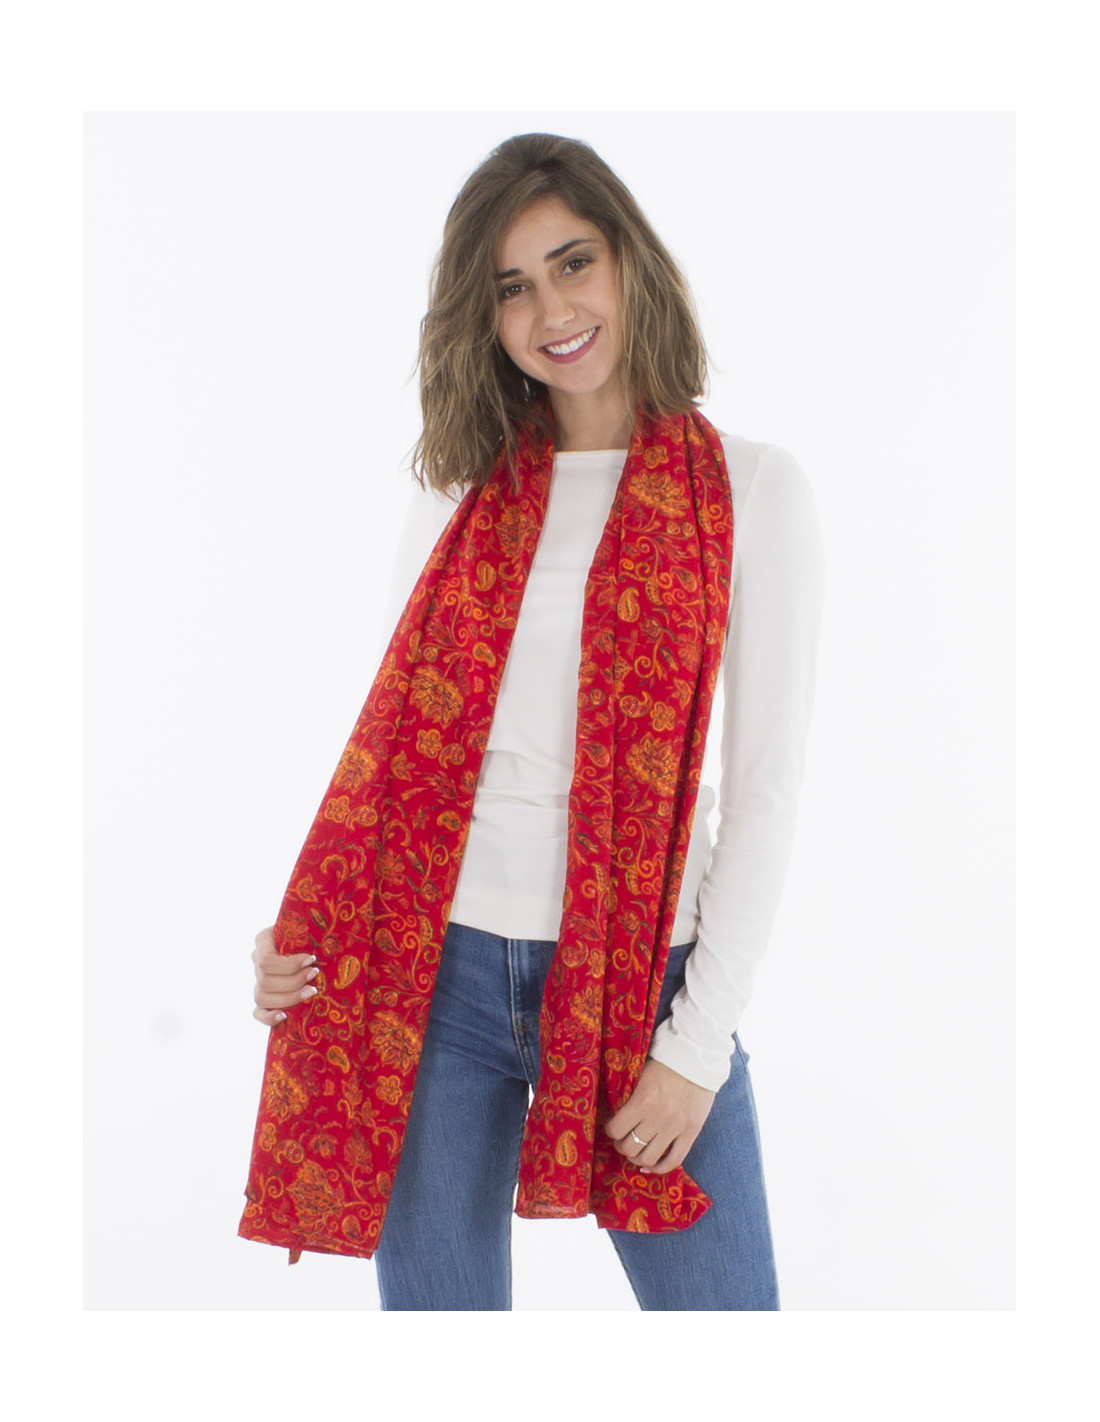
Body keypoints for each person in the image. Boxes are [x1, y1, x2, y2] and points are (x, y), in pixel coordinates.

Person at [246, 132, 825, 1310]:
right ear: (484, 315)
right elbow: (398, 748)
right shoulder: (459, 487)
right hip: (437, 972)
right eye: (512, 287)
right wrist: (313, 930)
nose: (552, 311)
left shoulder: (751, 489)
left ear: (628, 261)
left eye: (573, 263)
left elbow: (763, 791)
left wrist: (693, 1049)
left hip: (646, 984)